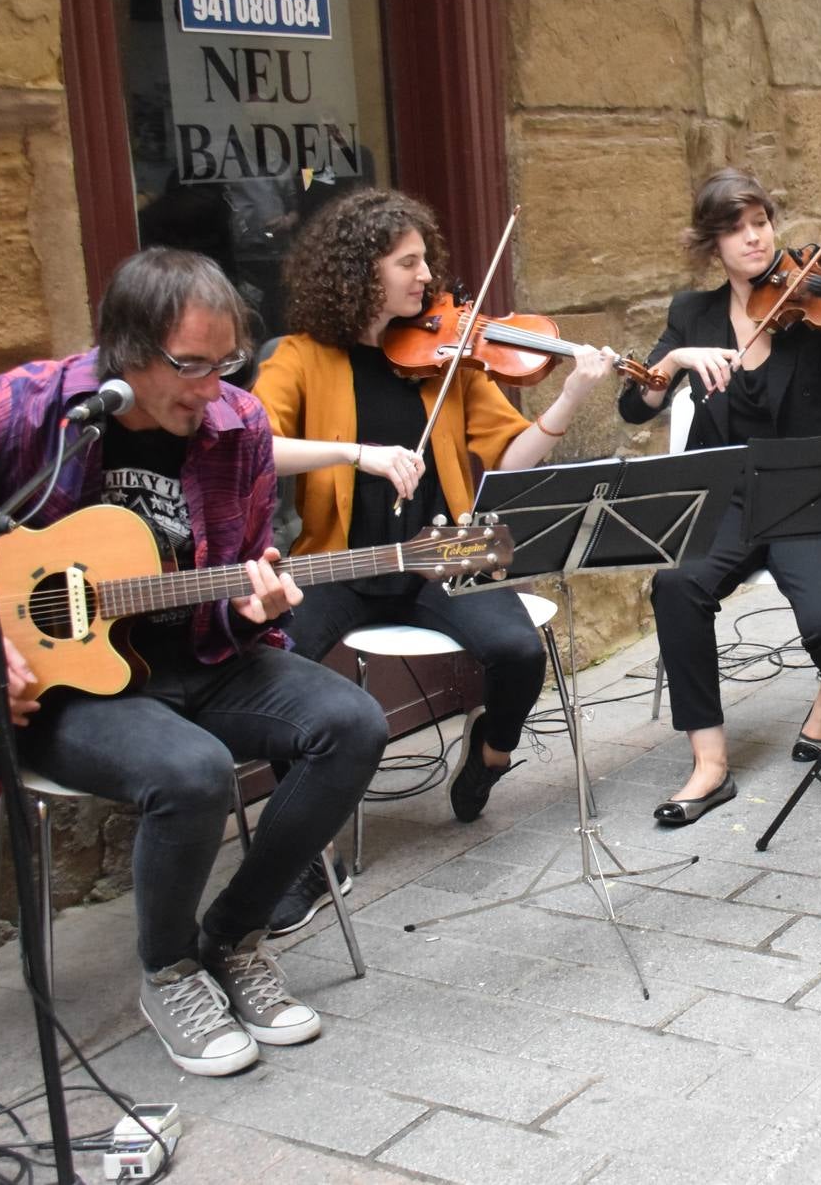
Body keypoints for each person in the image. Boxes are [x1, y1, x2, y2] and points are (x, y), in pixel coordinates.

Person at [0, 248, 389, 1077]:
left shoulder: (238, 426)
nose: (210, 389)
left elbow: (243, 562)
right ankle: (169, 969)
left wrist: (251, 601)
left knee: (351, 723)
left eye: (226, 363)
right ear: (125, 351)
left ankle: (232, 938)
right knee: (193, 771)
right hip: (55, 686)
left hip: (195, 654)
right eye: (189, 366)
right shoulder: (29, 410)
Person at [253, 188, 613, 861]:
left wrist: (569, 395)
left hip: (445, 546)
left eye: (425, 261)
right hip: (340, 560)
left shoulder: (449, 360)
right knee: (276, 671)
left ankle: (490, 752)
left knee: (518, 650)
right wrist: (353, 453)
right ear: (360, 271)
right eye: (407, 263)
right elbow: (253, 445)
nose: (427, 278)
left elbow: (511, 458)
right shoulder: (299, 357)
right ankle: (303, 836)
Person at [619, 169, 821, 824]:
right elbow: (636, 404)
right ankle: (710, 765)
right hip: (725, 498)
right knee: (676, 586)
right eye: (734, 229)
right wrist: (680, 359)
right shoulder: (693, 314)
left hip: (809, 494)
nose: (752, 238)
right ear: (711, 244)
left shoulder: (817, 315)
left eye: (759, 223)